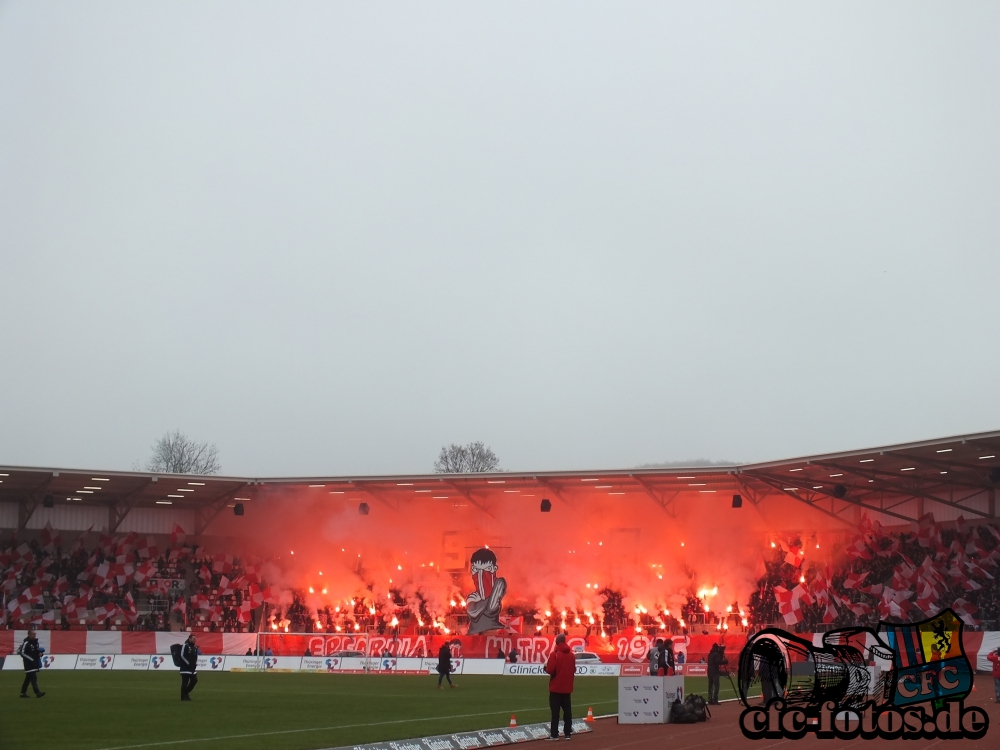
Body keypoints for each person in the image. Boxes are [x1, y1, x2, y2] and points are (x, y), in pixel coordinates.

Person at [545, 633, 575, 740]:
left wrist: (545, 668)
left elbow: (550, 670)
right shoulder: (571, 655)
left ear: (557, 642)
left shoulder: (555, 654)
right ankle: (567, 733)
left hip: (556, 687)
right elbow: (573, 670)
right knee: (567, 711)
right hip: (567, 688)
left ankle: (554, 734)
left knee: (555, 712)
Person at [18, 630, 45, 699]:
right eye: (33, 634)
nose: (34, 635)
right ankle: (37, 692)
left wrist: (39, 654)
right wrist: (31, 659)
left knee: (28, 679)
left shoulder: (35, 642)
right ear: (29, 635)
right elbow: (22, 653)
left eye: (35, 634)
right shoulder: (26, 642)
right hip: (28, 664)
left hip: (34, 663)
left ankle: (22, 693)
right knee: (33, 678)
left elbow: (36, 651)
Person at [179, 634, 199, 701]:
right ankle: (183, 696)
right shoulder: (185, 645)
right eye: (193, 638)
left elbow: (195, 657)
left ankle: (185, 692)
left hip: (192, 668)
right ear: (189, 639)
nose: (194, 640)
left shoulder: (195, 647)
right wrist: (188, 663)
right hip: (185, 668)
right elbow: (182, 655)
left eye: (195, 639)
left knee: (195, 680)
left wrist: (195, 663)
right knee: (185, 682)